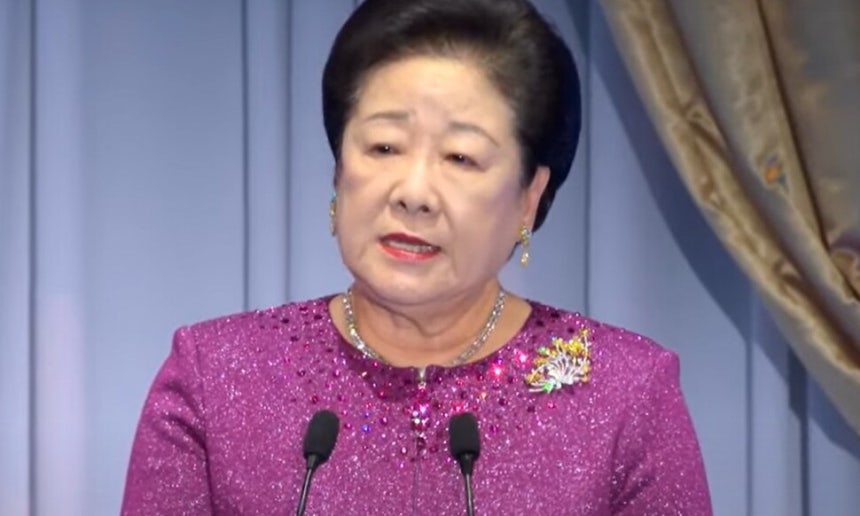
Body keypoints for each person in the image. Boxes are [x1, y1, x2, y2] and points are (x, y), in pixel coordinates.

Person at [121, 0, 712, 514]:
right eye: (384, 147)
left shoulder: (624, 393)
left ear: (529, 196)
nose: (413, 192)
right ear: (339, 167)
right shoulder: (215, 377)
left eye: (460, 158)